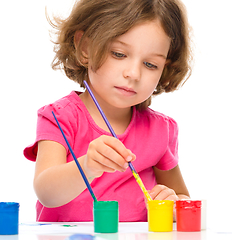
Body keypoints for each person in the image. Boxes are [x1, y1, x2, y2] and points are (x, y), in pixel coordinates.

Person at [24, 0, 192, 222]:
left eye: (150, 64)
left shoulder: (161, 130)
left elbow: (183, 200)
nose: (133, 74)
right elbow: (46, 193)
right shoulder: (59, 117)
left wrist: (173, 204)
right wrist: (87, 166)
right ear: (85, 48)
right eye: (119, 54)